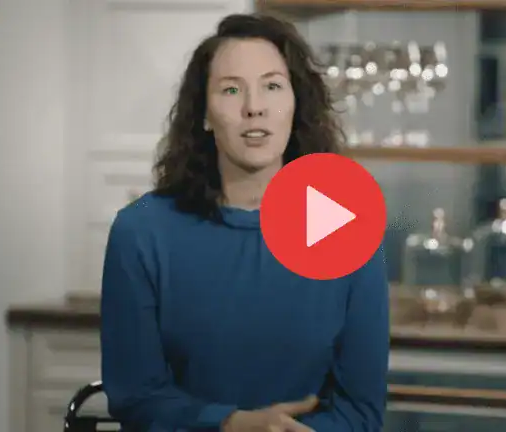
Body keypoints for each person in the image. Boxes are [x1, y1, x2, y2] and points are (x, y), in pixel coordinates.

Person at [99, 13, 390, 432]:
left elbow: (361, 411)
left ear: (295, 106)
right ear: (203, 114)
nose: (254, 107)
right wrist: (232, 424)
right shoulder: (141, 232)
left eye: (272, 86)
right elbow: (136, 396)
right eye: (231, 90)